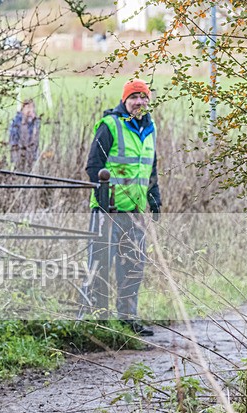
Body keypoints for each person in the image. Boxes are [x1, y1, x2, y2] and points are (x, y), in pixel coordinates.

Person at [84, 79, 162, 336]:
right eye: (134, 97)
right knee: (100, 265)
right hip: (108, 211)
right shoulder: (110, 125)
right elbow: (93, 166)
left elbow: (150, 169)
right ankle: (98, 321)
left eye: (143, 97)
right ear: (125, 100)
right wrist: (104, 198)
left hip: (135, 213)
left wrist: (154, 199)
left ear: (148, 101)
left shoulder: (150, 128)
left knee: (133, 266)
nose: (139, 102)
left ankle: (128, 319)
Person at [8, 99, 41, 173]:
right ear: (23, 108)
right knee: (19, 170)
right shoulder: (17, 120)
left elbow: (35, 138)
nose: (30, 110)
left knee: (30, 170)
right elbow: (13, 138)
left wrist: (34, 121)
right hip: (19, 151)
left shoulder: (35, 121)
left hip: (31, 152)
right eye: (28, 107)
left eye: (32, 107)